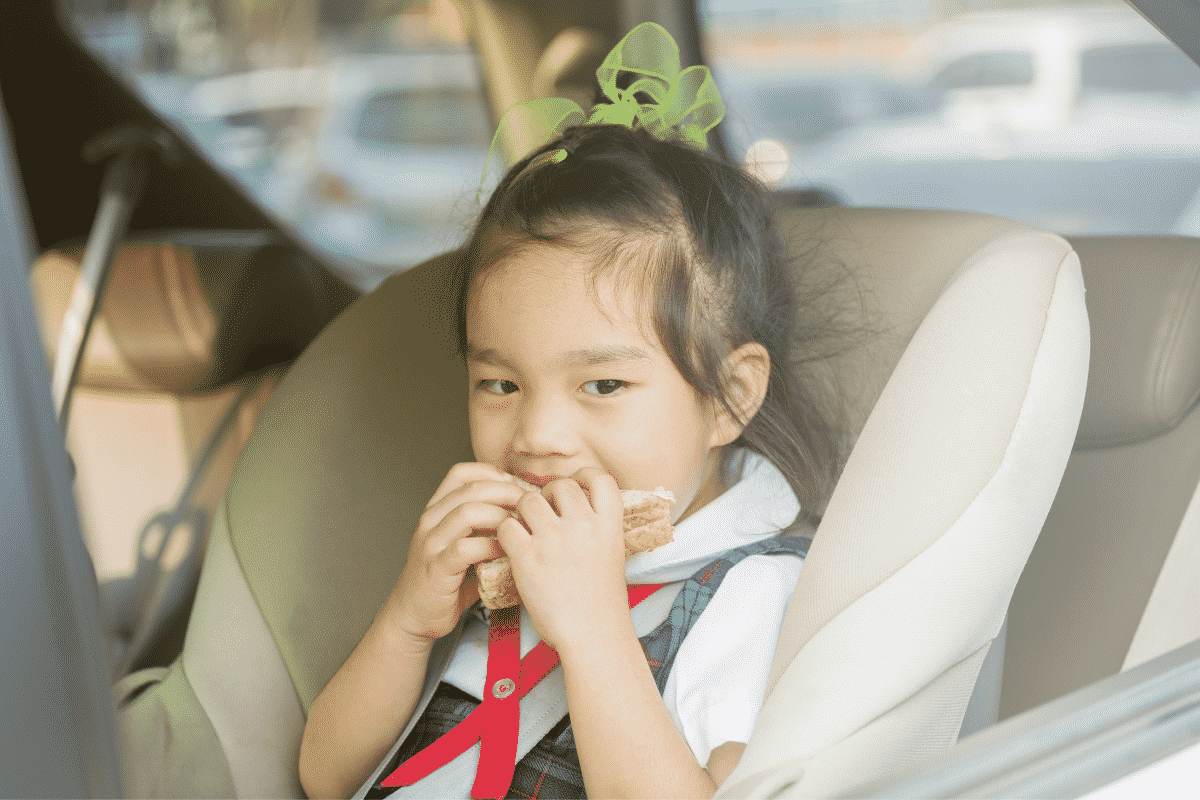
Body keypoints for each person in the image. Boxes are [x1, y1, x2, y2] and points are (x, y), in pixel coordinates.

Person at [298, 24, 842, 800]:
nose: (537, 438)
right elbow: (324, 777)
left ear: (730, 396)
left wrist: (593, 632)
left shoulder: (753, 596)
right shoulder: (493, 569)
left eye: (603, 387)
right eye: (501, 385)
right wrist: (408, 620)